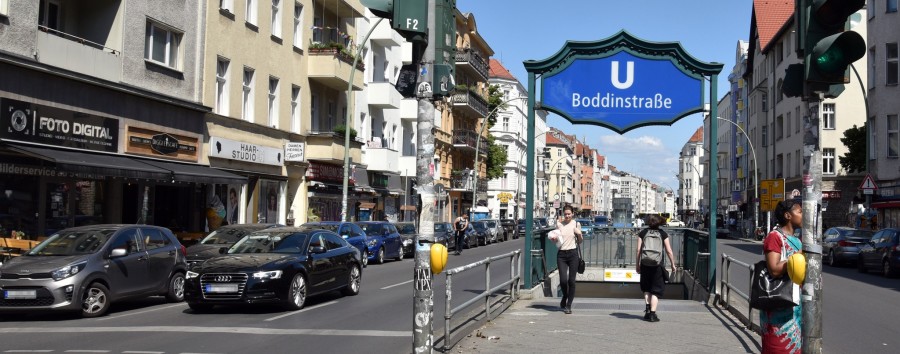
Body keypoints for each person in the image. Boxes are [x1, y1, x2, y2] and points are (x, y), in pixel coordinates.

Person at [761, 199, 803, 353]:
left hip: (795, 309)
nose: (803, 215)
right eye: (799, 211)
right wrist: (796, 257)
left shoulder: (798, 241)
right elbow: (774, 269)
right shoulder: (774, 237)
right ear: (788, 215)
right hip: (778, 310)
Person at [635, 214, 676, 322]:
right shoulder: (663, 234)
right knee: (656, 290)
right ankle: (653, 314)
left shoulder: (643, 233)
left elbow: (638, 250)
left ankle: (647, 311)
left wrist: (637, 265)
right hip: (657, 265)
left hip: (645, 264)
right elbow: (669, 251)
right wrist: (672, 264)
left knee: (646, 288)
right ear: (659, 222)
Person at [550, 205, 583, 314]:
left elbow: (580, 241)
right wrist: (553, 239)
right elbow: (555, 240)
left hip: (573, 254)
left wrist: (579, 234)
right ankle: (565, 295)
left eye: (569, 214)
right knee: (563, 280)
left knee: (571, 281)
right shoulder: (559, 224)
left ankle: (568, 305)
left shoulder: (576, 224)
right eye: (566, 214)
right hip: (562, 255)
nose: (567, 216)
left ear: (572, 214)